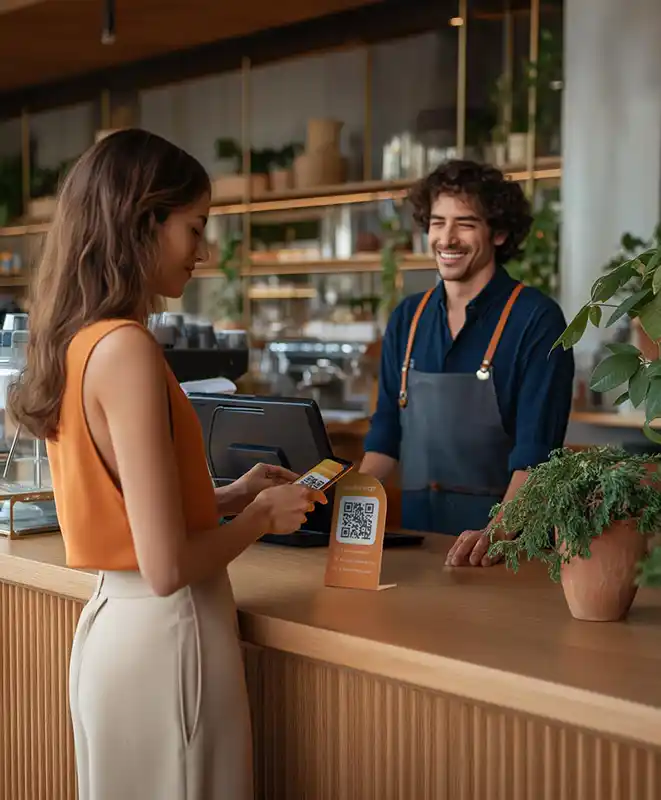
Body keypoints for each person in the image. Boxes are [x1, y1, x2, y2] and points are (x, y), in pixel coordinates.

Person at [8, 128, 326, 800]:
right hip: (169, 635)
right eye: (194, 227)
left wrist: (231, 495)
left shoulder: (80, 341)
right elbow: (166, 567)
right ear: (141, 223)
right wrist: (263, 516)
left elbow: (128, 505)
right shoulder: (126, 350)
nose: (203, 252)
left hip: (114, 630)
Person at [360, 159, 574, 568]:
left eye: (465, 223)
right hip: (424, 550)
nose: (447, 238)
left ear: (499, 232)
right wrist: (341, 502)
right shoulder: (408, 317)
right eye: (437, 222)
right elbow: (387, 432)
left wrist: (497, 532)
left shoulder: (537, 319)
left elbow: (537, 454)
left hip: (506, 555)